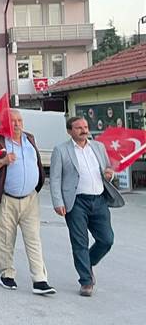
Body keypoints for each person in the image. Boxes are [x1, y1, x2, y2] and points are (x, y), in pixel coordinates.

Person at [0, 109, 55, 295]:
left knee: (34, 239)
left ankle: (40, 279)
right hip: (6, 198)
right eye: (12, 121)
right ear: (5, 123)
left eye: (19, 120)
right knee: (5, 239)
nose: (17, 124)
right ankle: (7, 274)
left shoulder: (29, 139)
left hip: (30, 199)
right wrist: (3, 161)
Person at [50, 116, 120, 297]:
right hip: (76, 202)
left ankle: (87, 263)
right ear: (69, 131)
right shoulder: (61, 150)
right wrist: (58, 202)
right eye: (78, 127)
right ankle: (86, 281)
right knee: (80, 243)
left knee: (107, 239)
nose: (83, 130)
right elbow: (55, 178)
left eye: (85, 127)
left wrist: (109, 174)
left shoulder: (98, 147)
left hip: (98, 200)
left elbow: (106, 171)